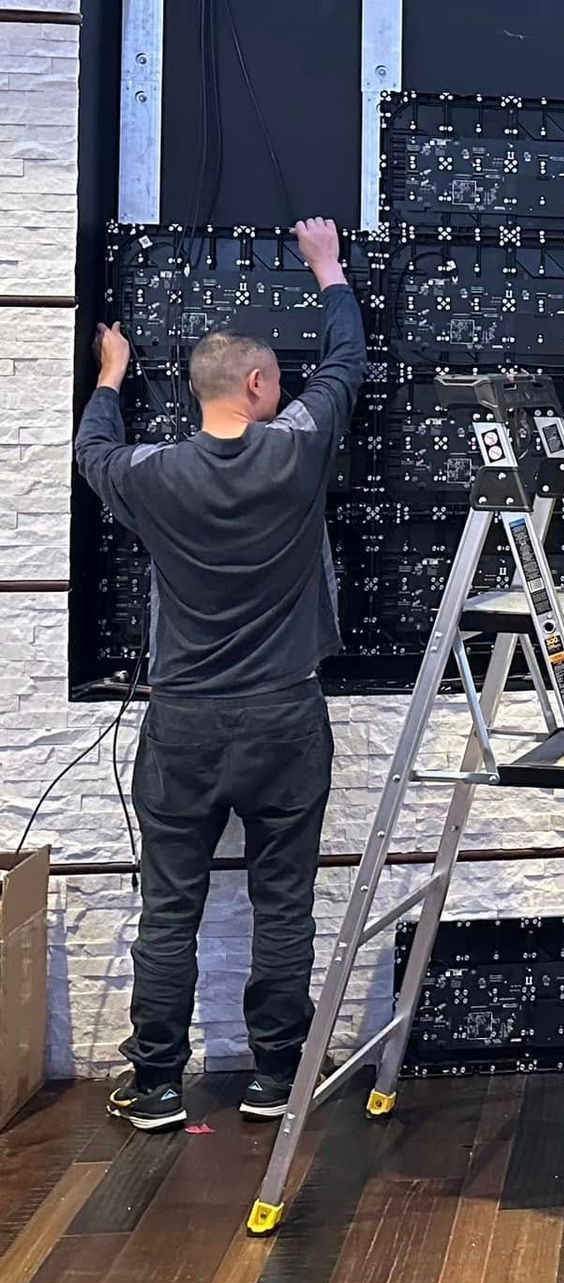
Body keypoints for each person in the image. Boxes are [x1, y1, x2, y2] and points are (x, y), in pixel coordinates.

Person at [75, 217, 366, 1130]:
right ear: (254, 382)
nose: (287, 388)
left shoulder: (152, 476)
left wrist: (112, 376)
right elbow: (346, 367)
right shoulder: (295, 450)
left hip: (185, 725)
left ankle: (157, 1082)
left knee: (170, 909)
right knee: (285, 907)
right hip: (285, 718)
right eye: (276, 376)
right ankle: (277, 1074)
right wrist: (327, 271)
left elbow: (91, 454)